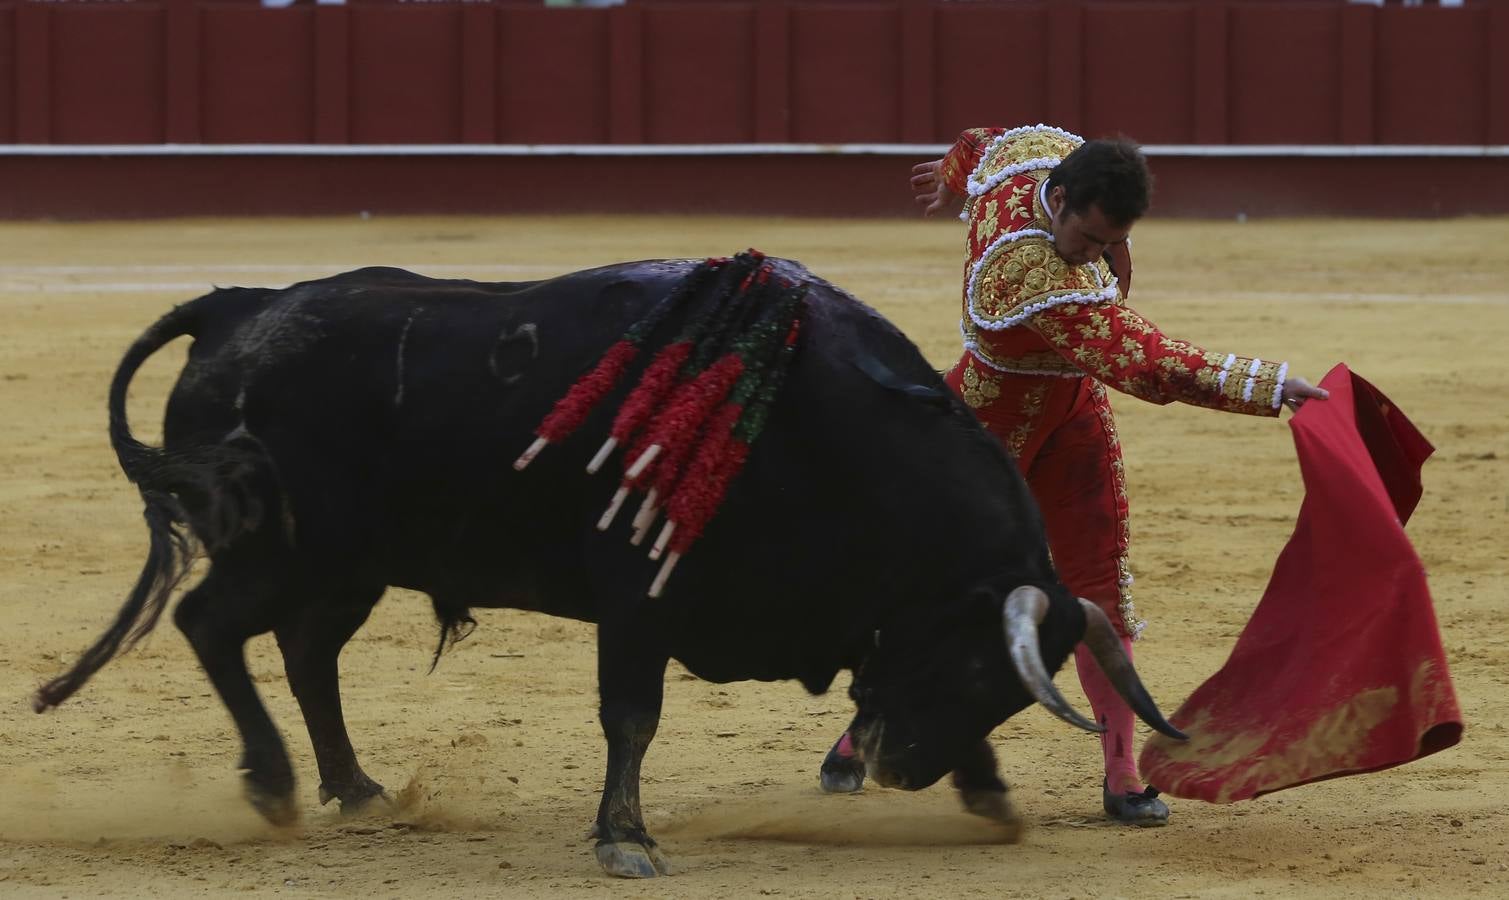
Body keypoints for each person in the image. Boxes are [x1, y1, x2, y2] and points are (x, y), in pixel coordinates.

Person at [818, 124, 1330, 826]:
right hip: (987, 427)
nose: (1094, 258)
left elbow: (981, 138)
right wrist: (1267, 385)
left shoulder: (1028, 156)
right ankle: (863, 732)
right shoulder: (1029, 275)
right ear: (1054, 201)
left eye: (1110, 244)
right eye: (1087, 241)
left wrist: (949, 173)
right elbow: (1145, 361)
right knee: (944, 591)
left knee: (1100, 582)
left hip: (1072, 412)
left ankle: (1120, 775)